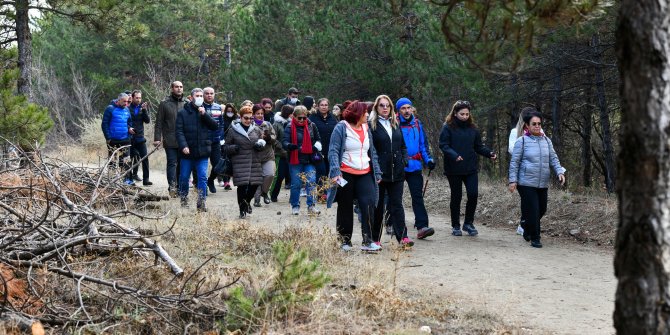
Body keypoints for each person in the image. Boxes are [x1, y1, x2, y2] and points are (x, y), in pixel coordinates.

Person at [327, 101, 383, 252]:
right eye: (365, 112)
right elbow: (333, 150)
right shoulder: (341, 127)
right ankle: (345, 241)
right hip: (345, 173)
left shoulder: (366, 128)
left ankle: (368, 241)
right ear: (357, 114)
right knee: (345, 207)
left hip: (365, 172)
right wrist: (335, 171)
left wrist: (377, 171)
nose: (367, 114)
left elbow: (372, 152)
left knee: (369, 204)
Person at [508, 109, 566, 248]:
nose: (537, 126)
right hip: (526, 182)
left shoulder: (547, 141)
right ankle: (535, 238)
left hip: (542, 182)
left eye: (539, 123)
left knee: (542, 209)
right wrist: (513, 181)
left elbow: (553, 158)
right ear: (527, 126)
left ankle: (526, 226)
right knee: (533, 210)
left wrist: (559, 171)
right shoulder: (521, 141)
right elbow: (514, 162)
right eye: (534, 124)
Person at [439, 100, 497, 237]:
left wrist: (489, 153)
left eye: (467, 114)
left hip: (470, 167)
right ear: (455, 113)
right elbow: (443, 145)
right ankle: (455, 225)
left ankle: (468, 223)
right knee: (456, 196)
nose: (465, 116)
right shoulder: (447, 127)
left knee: (473, 194)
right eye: (462, 114)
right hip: (453, 168)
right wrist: (454, 155)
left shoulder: (473, 128)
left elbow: (478, 146)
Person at [369, 95, 413, 247]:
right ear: (376, 108)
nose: (385, 108)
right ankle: (375, 239)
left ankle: (403, 237)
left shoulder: (395, 123)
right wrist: (376, 168)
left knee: (397, 205)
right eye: (382, 105)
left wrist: (404, 159)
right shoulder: (371, 125)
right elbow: (370, 149)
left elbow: (402, 145)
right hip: (380, 172)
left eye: (388, 105)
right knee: (378, 206)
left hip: (398, 172)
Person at [396, 97, 436, 240]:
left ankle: (422, 227)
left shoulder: (418, 124)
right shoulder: (394, 124)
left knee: (417, 197)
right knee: (395, 198)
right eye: (403, 108)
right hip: (399, 166)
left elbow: (423, 147)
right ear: (398, 110)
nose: (406, 111)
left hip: (415, 166)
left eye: (409, 108)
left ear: (412, 109)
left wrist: (429, 160)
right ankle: (391, 223)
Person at [175, 88, 219, 212]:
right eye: (197, 95)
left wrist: (204, 114)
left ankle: (201, 203)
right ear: (191, 97)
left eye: (201, 95)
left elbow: (215, 126)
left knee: (202, 177)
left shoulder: (205, 111)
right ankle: (183, 198)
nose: (200, 97)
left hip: (203, 152)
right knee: (183, 178)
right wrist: (183, 145)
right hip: (187, 153)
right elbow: (179, 131)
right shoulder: (183, 113)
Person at [224, 106, 265, 218]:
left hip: (254, 161)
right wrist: (234, 148)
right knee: (242, 186)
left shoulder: (256, 129)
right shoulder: (233, 130)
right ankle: (242, 210)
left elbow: (262, 143)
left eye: (250, 118)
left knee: (255, 184)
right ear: (240, 117)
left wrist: (259, 146)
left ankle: (246, 203)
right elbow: (226, 147)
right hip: (239, 161)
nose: (248, 120)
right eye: (245, 118)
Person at [508, 107, 541, 236]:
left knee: (535, 203)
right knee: (526, 199)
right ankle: (524, 223)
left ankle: (526, 223)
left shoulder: (539, 131)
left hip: (536, 171)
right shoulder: (515, 132)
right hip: (521, 169)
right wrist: (523, 143)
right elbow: (511, 149)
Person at [282, 105, 321, 215]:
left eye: (304, 117)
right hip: (295, 159)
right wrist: (290, 146)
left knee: (312, 181)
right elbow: (284, 142)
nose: (302, 120)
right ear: (294, 116)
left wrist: (316, 146)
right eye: (299, 118)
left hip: (309, 159)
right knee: (296, 183)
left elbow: (318, 139)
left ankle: (311, 205)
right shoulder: (289, 127)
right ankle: (295, 205)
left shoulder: (311, 125)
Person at [154, 81, 189, 196]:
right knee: (172, 163)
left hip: (184, 140)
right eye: (176, 87)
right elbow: (159, 122)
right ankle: (172, 187)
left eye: (181, 87)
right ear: (172, 88)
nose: (179, 89)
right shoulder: (164, 103)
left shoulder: (187, 103)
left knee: (181, 164)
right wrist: (157, 138)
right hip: (169, 139)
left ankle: (180, 187)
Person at [101, 92, 135, 185]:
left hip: (125, 139)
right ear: (118, 100)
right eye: (124, 101)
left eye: (127, 101)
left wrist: (130, 129)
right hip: (113, 140)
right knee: (112, 160)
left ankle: (126, 180)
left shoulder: (127, 110)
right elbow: (104, 124)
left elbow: (129, 122)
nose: (126, 103)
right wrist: (108, 138)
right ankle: (111, 180)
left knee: (126, 160)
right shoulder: (110, 109)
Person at [309, 98, 338, 191]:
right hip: (318, 150)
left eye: (326, 105)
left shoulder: (333, 118)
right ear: (318, 106)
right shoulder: (312, 118)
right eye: (322, 105)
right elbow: (309, 133)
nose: (324, 107)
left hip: (331, 149)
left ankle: (329, 192)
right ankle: (321, 194)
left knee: (330, 170)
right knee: (321, 171)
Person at [252, 104, 277, 207]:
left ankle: (264, 192)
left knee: (270, 174)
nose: (260, 115)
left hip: (268, 155)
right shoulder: (250, 125)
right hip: (255, 156)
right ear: (253, 114)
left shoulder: (268, 124)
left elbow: (274, 138)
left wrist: (268, 138)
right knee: (257, 179)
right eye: (258, 113)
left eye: (262, 113)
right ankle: (257, 200)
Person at [201, 87, 224, 193]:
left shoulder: (218, 107)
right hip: (203, 141)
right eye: (207, 93)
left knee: (218, 165)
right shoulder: (199, 107)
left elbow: (221, 124)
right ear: (203, 95)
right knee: (202, 166)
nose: (209, 95)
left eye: (211, 93)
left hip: (215, 141)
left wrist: (221, 137)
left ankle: (211, 180)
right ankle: (202, 184)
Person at [127, 90, 152, 185]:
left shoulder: (143, 108)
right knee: (130, 159)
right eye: (136, 98)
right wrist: (129, 128)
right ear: (132, 98)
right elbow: (125, 122)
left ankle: (146, 179)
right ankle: (129, 179)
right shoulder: (128, 108)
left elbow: (147, 121)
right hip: (130, 138)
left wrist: (145, 110)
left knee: (145, 158)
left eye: (140, 98)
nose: (138, 100)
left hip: (140, 138)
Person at [269, 104, 293, 202]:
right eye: (291, 113)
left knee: (291, 176)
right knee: (279, 176)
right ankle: (273, 195)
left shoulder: (292, 124)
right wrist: (282, 149)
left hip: (291, 153)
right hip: (280, 154)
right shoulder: (276, 124)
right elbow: (274, 139)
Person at [219, 103, 238, 190]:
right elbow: (220, 129)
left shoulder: (237, 119)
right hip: (224, 143)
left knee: (232, 162)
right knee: (225, 161)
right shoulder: (222, 118)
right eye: (228, 111)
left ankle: (230, 179)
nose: (230, 113)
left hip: (234, 143)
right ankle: (226, 182)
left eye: (231, 111)